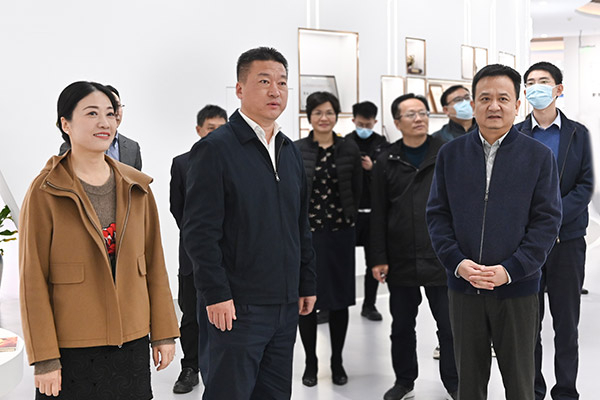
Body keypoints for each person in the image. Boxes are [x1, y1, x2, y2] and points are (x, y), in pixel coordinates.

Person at [19, 81, 179, 399]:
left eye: (110, 113)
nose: (104, 122)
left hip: (131, 343)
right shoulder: (45, 191)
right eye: (91, 113)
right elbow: (32, 280)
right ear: (65, 124)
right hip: (72, 346)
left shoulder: (137, 187)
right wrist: (45, 359)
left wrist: (164, 332)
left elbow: (154, 264)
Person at [182, 47, 317, 400]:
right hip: (236, 306)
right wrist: (216, 293)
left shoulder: (289, 151)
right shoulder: (216, 149)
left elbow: (300, 225)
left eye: (282, 83)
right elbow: (199, 232)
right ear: (240, 89)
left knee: (275, 394)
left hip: (284, 303)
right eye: (264, 81)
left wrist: (306, 281)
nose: (276, 91)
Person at [426, 64, 562, 400]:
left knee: (521, 382)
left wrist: (512, 269)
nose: (494, 106)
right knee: (469, 383)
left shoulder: (539, 156)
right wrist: (457, 263)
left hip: (518, 288)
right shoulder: (450, 154)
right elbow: (437, 215)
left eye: (503, 98)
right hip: (464, 286)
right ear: (473, 104)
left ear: (517, 105)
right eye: (485, 98)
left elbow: (546, 222)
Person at [370, 93, 458, 400]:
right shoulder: (386, 160)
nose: (419, 119)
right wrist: (378, 257)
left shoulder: (446, 153)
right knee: (402, 327)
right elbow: (378, 212)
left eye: (423, 113)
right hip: (401, 256)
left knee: (449, 327)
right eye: (411, 114)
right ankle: (404, 381)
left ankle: (455, 383)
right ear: (397, 123)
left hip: (441, 255)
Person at [515, 61, 593, 400]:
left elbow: (585, 185)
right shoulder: (516, 134)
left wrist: (552, 217)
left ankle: (566, 391)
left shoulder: (577, 133)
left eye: (543, 81)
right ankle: (532, 389)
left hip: (567, 242)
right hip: (527, 245)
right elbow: (511, 187)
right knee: (528, 324)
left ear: (558, 89)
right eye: (530, 82)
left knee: (566, 324)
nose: (536, 87)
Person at [295, 91, 362, 387]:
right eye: (318, 113)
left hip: (340, 236)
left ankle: (337, 361)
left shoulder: (349, 149)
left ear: (337, 116)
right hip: (307, 238)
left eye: (329, 112)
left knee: (339, 302)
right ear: (309, 117)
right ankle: (310, 361)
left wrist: (349, 219)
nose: (324, 118)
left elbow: (357, 190)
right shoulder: (296, 150)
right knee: (307, 300)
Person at [169, 105, 227, 394]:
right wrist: (200, 239)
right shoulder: (182, 163)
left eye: (221, 129)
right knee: (191, 314)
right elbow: (177, 209)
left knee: (228, 315)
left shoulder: (236, 162)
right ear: (199, 130)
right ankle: (190, 367)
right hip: (193, 256)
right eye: (210, 129)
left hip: (230, 256)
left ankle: (221, 367)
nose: (215, 134)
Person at [345, 100, 388, 321]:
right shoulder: (345, 143)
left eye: (368, 124)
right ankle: (333, 306)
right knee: (340, 261)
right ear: (353, 120)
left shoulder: (382, 145)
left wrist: (373, 168)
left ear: (375, 122)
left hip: (374, 214)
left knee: (374, 261)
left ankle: (369, 305)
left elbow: (388, 177)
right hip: (348, 214)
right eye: (360, 124)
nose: (364, 128)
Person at [59, 85, 143, 170]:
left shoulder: (132, 147)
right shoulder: (70, 147)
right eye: (93, 113)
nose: (115, 112)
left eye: (110, 112)